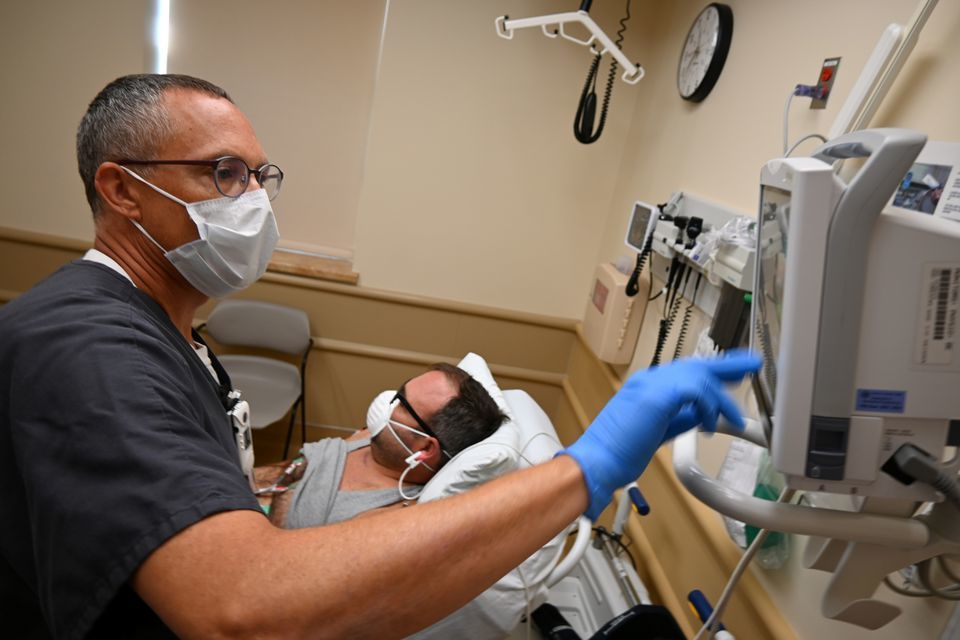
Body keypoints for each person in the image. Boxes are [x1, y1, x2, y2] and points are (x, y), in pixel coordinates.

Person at [0, 73, 761, 639]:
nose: (254, 201)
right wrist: (582, 472)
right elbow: (240, 604)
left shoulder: (167, 332)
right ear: (121, 190)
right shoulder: (89, 348)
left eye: (259, 177)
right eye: (221, 173)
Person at [258, 363, 507, 527]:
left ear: (424, 450)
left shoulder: (386, 519)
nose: (387, 401)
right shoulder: (374, 439)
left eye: (401, 402)